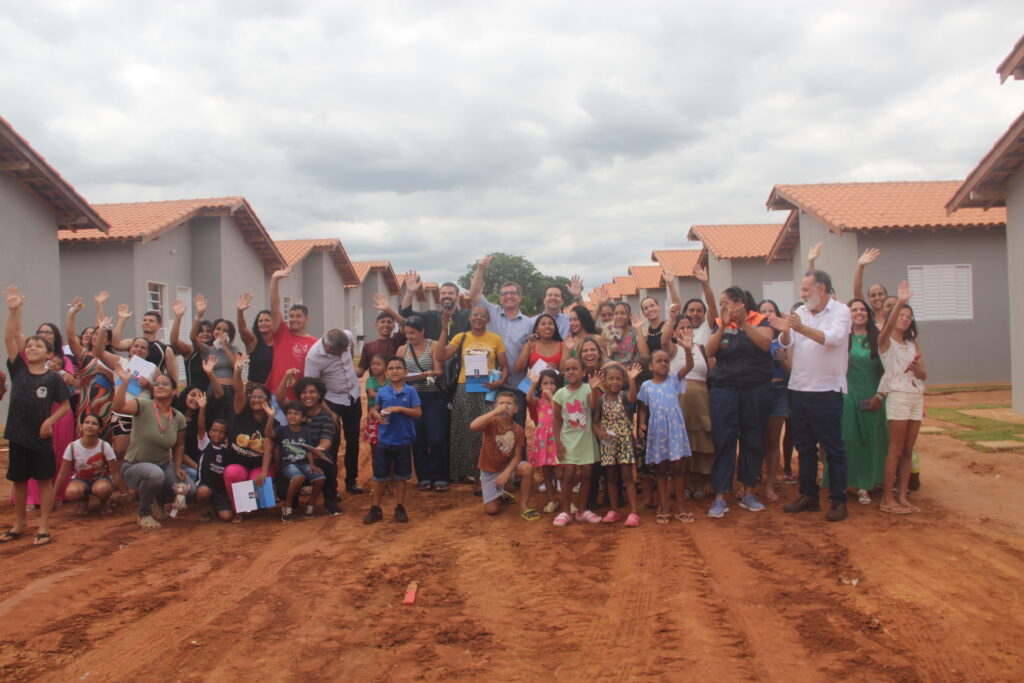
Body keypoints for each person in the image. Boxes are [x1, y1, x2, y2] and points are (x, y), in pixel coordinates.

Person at [772, 270, 853, 523]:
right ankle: (809, 495)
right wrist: (786, 331)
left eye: (806, 290)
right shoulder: (802, 313)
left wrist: (799, 327)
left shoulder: (841, 311)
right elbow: (786, 343)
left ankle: (838, 500)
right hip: (799, 388)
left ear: (822, 289)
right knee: (804, 447)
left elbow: (833, 339)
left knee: (832, 448)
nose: (802, 294)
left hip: (827, 390)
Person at [2, 287, 72, 546]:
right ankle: (20, 524)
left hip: (41, 437)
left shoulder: (53, 377)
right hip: (17, 434)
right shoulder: (18, 369)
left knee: (44, 481)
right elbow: (9, 336)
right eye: (29, 345)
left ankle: (43, 525)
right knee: (18, 482)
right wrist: (12, 310)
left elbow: (65, 406)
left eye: (37, 346)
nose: (31, 348)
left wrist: (49, 422)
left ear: (49, 354)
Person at [705, 288, 773, 518]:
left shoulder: (760, 320)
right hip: (725, 392)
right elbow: (709, 350)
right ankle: (721, 496)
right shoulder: (719, 324)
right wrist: (724, 325)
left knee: (753, 439)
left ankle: (749, 492)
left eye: (726, 304)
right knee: (724, 440)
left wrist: (743, 324)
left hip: (755, 391)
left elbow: (765, 344)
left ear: (740, 304)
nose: (722, 308)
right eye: (721, 304)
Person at [113, 366, 194, 531]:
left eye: (165, 384)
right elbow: (118, 406)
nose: (160, 386)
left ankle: (159, 500)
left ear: (173, 391)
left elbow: (179, 445)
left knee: (189, 490)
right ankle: (144, 513)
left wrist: (177, 466)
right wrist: (125, 382)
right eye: (156, 384)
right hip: (134, 467)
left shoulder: (178, 417)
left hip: (164, 465)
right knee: (154, 475)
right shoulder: (142, 405)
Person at [436, 306, 508, 484]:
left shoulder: (495, 339)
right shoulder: (461, 337)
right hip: (464, 388)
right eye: (475, 315)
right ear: (469, 318)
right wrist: (444, 329)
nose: (479, 318)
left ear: (488, 320)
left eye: (483, 316)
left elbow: (505, 367)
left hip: (487, 390)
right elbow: (440, 355)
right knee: (465, 431)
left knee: (487, 431)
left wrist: (500, 382)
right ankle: (466, 472)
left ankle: (484, 474)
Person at [830, 298, 888, 506]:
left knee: (868, 440)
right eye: (854, 310)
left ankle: (865, 485)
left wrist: (879, 396)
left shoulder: (878, 338)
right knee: (846, 438)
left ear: (868, 314)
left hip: (871, 395)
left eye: (862, 309)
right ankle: (842, 482)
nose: (859, 312)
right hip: (846, 394)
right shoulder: (842, 338)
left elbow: (887, 370)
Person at [877, 282, 927, 514]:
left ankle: (903, 496)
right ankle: (888, 498)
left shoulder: (912, 344)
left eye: (909, 316)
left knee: (908, 449)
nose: (905, 319)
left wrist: (917, 370)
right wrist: (901, 301)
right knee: (895, 449)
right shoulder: (885, 341)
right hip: (898, 396)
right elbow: (887, 325)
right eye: (902, 315)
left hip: (916, 395)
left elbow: (924, 373)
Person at [470, 256, 535, 424]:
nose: (508, 296)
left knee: (517, 427)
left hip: (517, 386)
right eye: (504, 294)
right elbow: (474, 295)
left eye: (512, 293)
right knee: (493, 428)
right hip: (492, 383)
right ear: (500, 298)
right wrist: (481, 269)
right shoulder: (492, 312)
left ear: (520, 298)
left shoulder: (529, 323)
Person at [304, 328, 364, 494]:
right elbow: (312, 388)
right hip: (332, 400)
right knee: (333, 443)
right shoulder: (314, 357)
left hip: (353, 395)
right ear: (330, 348)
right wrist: (329, 412)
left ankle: (351, 480)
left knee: (353, 441)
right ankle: (332, 487)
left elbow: (350, 351)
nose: (346, 351)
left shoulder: (347, 336)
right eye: (342, 350)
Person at [637, 348, 693, 523]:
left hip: (675, 429)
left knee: (677, 468)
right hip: (657, 431)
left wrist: (688, 349)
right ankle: (665, 506)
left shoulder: (674, 380)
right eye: (659, 361)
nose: (663, 364)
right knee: (660, 469)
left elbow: (689, 365)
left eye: (666, 361)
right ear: (651, 366)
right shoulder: (646, 386)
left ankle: (681, 507)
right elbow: (643, 408)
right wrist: (641, 424)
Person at [364, 357, 422, 524]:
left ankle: (400, 507)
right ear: (386, 372)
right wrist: (376, 415)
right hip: (385, 440)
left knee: (402, 477)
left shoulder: (410, 391)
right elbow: (375, 408)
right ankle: (375, 508)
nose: (395, 371)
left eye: (398, 368)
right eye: (391, 368)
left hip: (403, 441)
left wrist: (400, 409)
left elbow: (418, 413)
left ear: (405, 372)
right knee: (379, 477)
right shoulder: (382, 391)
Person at [396, 316, 449, 492]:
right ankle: (424, 477)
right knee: (417, 439)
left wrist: (429, 374)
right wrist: (410, 376)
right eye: (407, 333)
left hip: (433, 397)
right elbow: (397, 375)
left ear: (422, 331)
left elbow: (439, 372)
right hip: (412, 399)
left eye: (412, 333)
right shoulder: (402, 350)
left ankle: (440, 476)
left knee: (436, 438)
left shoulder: (433, 346)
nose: (409, 336)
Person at [90, 322, 155, 461]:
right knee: (120, 451)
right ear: (130, 348)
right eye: (136, 346)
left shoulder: (153, 368)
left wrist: (149, 386)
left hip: (143, 413)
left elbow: (163, 393)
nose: (139, 349)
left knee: (142, 451)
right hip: (122, 413)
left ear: (148, 352)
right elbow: (99, 351)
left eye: (143, 348)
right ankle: (122, 479)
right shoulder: (120, 362)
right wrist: (102, 330)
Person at [470, 391, 539, 520]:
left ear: (516, 409)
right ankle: (501, 493)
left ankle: (524, 506)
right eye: (501, 403)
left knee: (527, 468)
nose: (505, 406)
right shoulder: (491, 422)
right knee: (492, 510)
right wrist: (494, 412)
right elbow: (473, 426)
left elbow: (518, 456)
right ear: (495, 407)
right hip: (489, 470)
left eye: (509, 403)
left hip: (507, 468)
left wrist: (507, 472)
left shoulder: (518, 429)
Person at [278, 374, 341, 516]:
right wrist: (285, 377)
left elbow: (326, 441)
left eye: (312, 392)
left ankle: (331, 503)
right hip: (291, 457)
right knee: (282, 491)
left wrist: (316, 451)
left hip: (315, 456)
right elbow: (280, 399)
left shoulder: (325, 416)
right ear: (299, 395)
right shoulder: (295, 410)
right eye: (304, 392)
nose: (308, 396)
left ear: (319, 395)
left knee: (329, 464)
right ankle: (291, 502)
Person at [668, 313, 715, 500]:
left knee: (703, 440)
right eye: (682, 327)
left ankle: (701, 483)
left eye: (689, 327)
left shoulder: (702, 349)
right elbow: (663, 339)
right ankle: (684, 484)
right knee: (682, 441)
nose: (686, 330)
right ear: (674, 331)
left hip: (702, 400)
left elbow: (713, 372)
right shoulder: (671, 349)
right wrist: (671, 319)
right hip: (679, 400)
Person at [223, 354, 276, 518]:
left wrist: (264, 470)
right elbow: (239, 390)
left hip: (260, 464)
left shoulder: (271, 417)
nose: (256, 400)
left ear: (267, 400)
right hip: (238, 461)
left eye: (261, 397)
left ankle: (259, 507)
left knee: (259, 477)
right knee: (233, 473)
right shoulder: (241, 411)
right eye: (253, 396)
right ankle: (240, 509)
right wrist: (238, 372)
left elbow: (268, 447)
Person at [551, 357, 601, 527]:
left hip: (586, 439)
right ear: (564, 373)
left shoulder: (588, 389)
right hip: (568, 440)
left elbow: (594, 406)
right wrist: (558, 443)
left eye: (575, 368)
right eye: (568, 369)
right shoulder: (560, 393)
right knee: (569, 475)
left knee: (587, 474)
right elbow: (556, 420)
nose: (571, 372)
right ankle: (565, 511)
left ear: (584, 372)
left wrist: (594, 389)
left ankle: (581, 510)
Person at [593, 362, 643, 527]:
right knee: (611, 478)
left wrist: (632, 379)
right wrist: (599, 432)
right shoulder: (601, 400)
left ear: (623, 381)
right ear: (605, 381)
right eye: (611, 379)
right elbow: (594, 421)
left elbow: (633, 398)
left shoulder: (624, 396)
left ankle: (634, 513)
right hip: (608, 442)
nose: (615, 382)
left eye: (619, 379)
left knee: (628, 476)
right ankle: (614, 511)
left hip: (625, 440)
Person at [34, 320, 78, 504]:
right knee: (35, 454)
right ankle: (34, 496)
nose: (44, 335)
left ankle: (58, 494)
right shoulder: (32, 359)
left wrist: (58, 370)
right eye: (41, 332)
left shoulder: (65, 359)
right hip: (37, 411)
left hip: (61, 411)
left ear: (55, 337)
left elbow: (71, 381)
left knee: (60, 453)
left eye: (48, 332)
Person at [261, 400, 327, 522]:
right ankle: (288, 505)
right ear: (285, 416)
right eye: (289, 413)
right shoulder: (282, 430)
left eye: (296, 413)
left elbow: (308, 450)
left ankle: (311, 503)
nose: (292, 416)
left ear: (303, 418)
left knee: (320, 477)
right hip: (287, 464)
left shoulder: (306, 431)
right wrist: (271, 416)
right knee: (298, 477)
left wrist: (312, 464)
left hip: (303, 463)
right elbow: (268, 433)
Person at [265, 267, 318, 402]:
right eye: (291, 316)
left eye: (298, 316)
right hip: (276, 394)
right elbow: (274, 306)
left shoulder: (315, 343)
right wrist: (274, 280)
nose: (294, 319)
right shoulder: (282, 333)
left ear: (307, 319)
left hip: (302, 397)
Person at [56, 413, 125, 514]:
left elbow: (115, 473)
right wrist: (52, 496)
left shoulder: (105, 446)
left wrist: (124, 494)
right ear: (81, 426)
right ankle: (83, 500)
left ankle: (104, 501)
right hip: (80, 480)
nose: (89, 426)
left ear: (100, 429)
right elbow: (62, 474)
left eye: (94, 423)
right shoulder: (72, 446)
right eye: (86, 422)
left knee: (103, 489)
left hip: (101, 479)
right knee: (71, 492)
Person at [66, 296, 114, 436]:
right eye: (94, 334)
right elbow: (70, 337)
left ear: (108, 340)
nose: (95, 337)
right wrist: (71, 314)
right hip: (86, 406)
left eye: (100, 335)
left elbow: (122, 385)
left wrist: (107, 373)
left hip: (107, 407)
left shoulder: (115, 361)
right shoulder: (84, 356)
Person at [758, 299, 791, 503]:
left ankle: (770, 483)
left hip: (779, 390)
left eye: (771, 310)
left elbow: (791, 372)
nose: (768, 314)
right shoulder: (754, 336)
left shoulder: (785, 338)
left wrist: (782, 360)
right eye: (763, 311)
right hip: (758, 392)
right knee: (755, 440)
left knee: (772, 441)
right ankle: (755, 478)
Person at [525, 368, 563, 513]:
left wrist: (552, 397)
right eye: (545, 383)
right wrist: (533, 383)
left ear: (557, 386)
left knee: (560, 472)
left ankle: (567, 501)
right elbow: (528, 399)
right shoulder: (539, 401)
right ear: (540, 386)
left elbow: (558, 411)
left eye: (552, 383)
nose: (548, 386)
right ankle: (552, 500)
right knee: (546, 471)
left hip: (556, 439)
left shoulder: (559, 400)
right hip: (543, 440)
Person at [110, 305, 177, 384]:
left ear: (158, 326)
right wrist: (122, 319)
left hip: (151, 390)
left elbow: (173, 377)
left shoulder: (165, 349)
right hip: (130, 386)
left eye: (151, 321)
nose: (146, 322)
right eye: (145, 320)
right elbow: (115, 343)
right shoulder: (132, 343)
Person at [193, 393, 234, 522]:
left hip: (220, 491)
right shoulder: (205, 444)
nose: (217, 434)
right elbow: (201, 426)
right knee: (203, 492)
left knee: (227, 517)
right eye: (214, 431)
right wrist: (202, 408)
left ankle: (216, 507)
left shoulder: (226, 451)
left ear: (226, 435)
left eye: (221, 432)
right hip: (205, 486)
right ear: (210, 432)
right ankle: (203, 507)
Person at [397, 271, 471, 341]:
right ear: (439, 297)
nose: (446, 296)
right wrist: (410, 292)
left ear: (458, 297)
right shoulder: (430, 316)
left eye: (450, 293)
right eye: (443, 293)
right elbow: (405, 313)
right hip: (434, 354)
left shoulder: (467, 315)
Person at [168, 299, 215, 391]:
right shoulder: (190, 350)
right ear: (196, 335)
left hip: (214, 398)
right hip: (193, 397)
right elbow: (174, 341)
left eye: (208, 331)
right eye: (201, 331)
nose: (205, 333)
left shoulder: (218, 352)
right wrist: (178, 317)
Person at [236, 293, 274, 386]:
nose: (263, 323)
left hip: (275, 388)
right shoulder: (253, 341)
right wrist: (240, 312)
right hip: (255, 389)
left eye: (267, 320)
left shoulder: (280, 341)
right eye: (260, 321)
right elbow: (243, 330)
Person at [362, 353, 387, 471]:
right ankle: (377, 475)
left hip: (388, 415)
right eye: (372, 364)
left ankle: (389, 478)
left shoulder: (390, 381)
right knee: (375, 447)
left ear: (385, 366)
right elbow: (371, 393)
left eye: (378, 364)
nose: (374, 367)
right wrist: (388, 396)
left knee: (389, 446)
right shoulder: (370, 380)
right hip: (374, 416)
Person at [853, 248, 889, 327]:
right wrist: (860, 266)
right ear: (868, 299)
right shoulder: (867, 316)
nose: (877, 298)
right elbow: (857, 292)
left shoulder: (893, 317)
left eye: (880, 294)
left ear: (886, 296)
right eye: (872, 295)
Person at [687, 264, 719, 344]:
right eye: (691, 310)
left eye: (699, 311)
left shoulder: (708, 327)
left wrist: (705, 283)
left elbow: (712, 306)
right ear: (685, 313)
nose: (695, 313)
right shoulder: (678, 331)